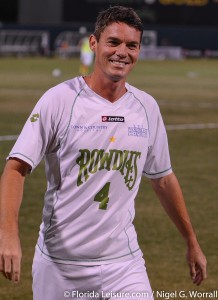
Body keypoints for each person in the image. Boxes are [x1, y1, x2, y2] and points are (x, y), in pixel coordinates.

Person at [0, 5, 207, 300]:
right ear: (94, 43)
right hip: (61, 266)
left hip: (124, 265)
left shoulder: (146, 108)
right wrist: (8, 234)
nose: (122, 52)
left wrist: (192, 241)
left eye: (131, 45)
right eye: (113, 42)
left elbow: (162, 179)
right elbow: (15, 168)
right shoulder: (60, 100)